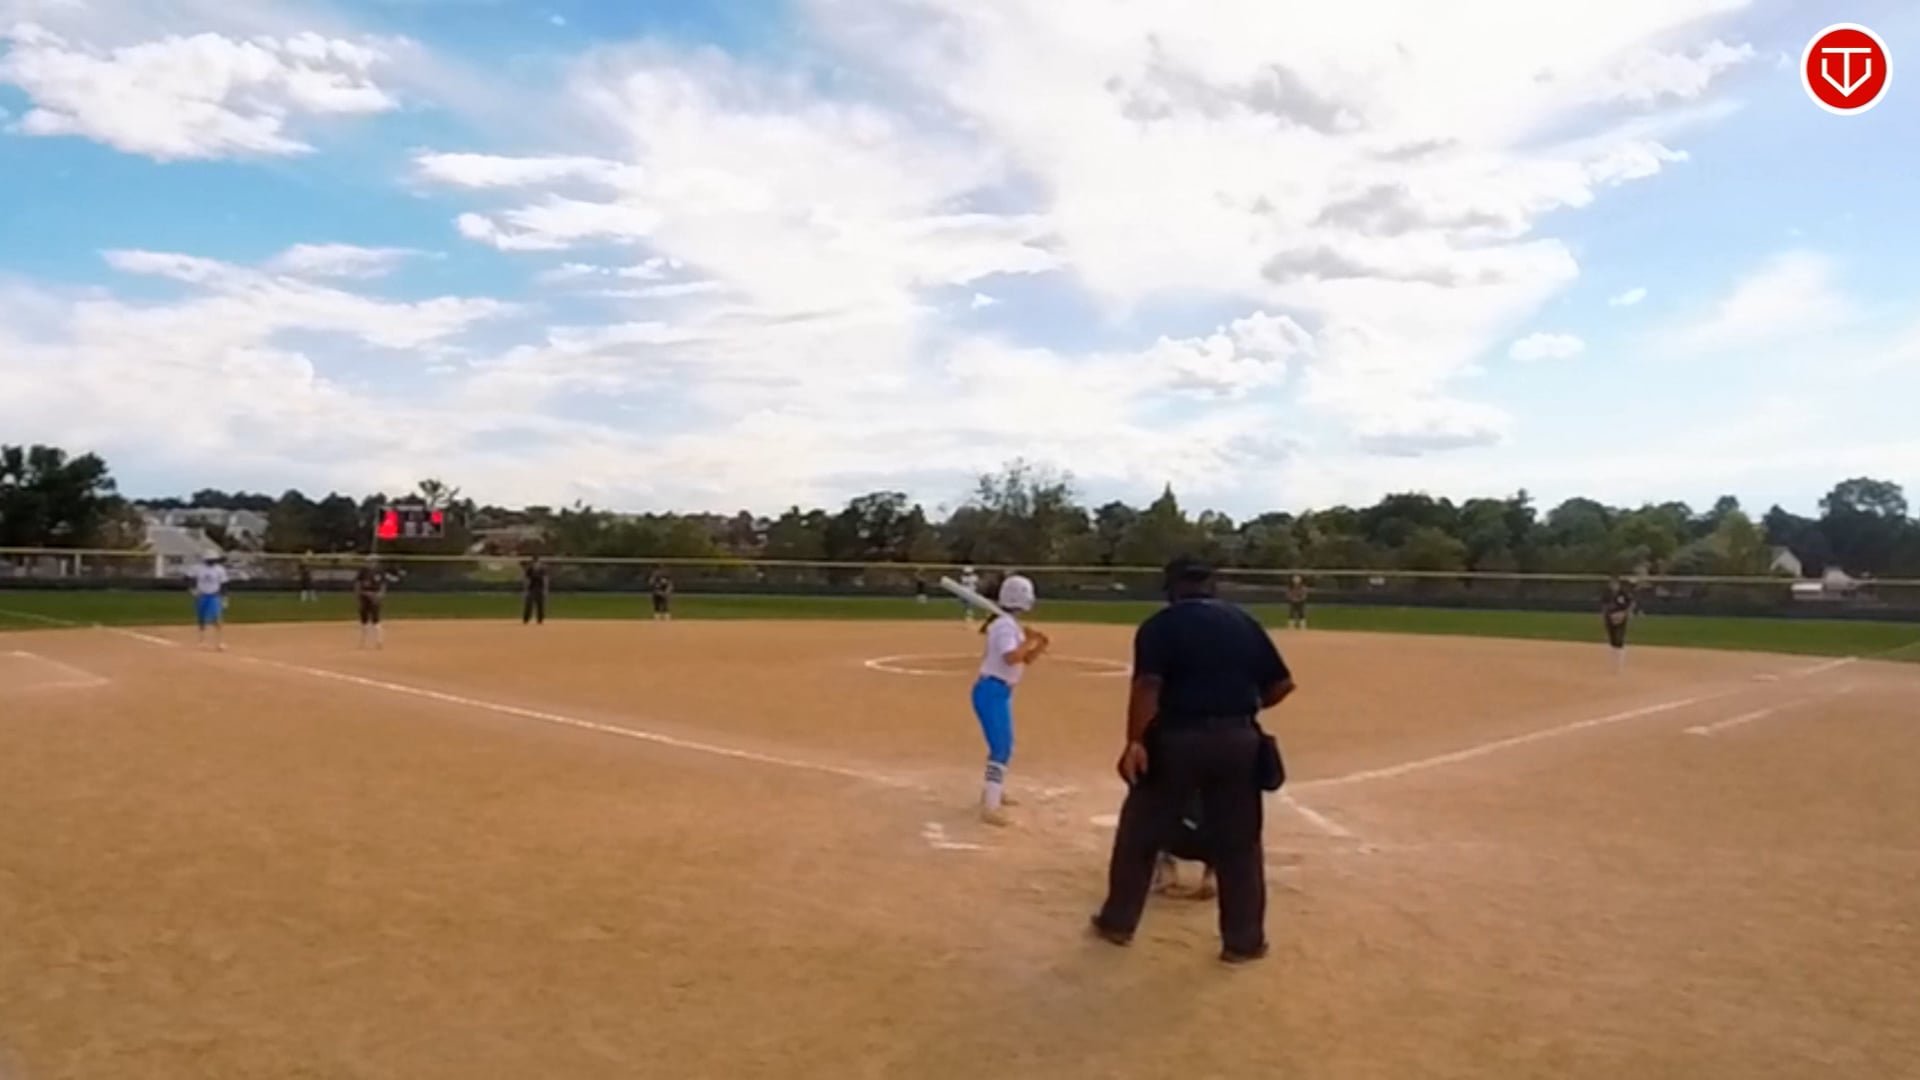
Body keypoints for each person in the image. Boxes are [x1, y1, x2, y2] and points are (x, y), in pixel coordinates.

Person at [1091, 555, 1296, 964]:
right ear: (1212, 586)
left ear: (1171, 589)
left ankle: (1118, 923)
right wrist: (1240, 709)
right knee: (1240, 844)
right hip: (1238, 740)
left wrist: (1135, 741)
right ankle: (1243, 942)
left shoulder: (1160, 626)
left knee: (1140, 833)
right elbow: (1282, 684)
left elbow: (1147, 686)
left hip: (1177, 738)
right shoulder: (1244, 623)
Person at [970, 574, 1049, 826]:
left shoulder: (1008, 624)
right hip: (991, 691)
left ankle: (992, 792)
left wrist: (1038, 645)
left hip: (999, 691)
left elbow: (1024, 659)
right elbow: (1010, 657)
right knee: (1002, 747)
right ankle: (990, 807)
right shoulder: (1004, 626)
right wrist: (1029, 641)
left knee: (1002, 744)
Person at [188, 554, 229, 650]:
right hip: (202, 595)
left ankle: (219, 642)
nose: (212, 562)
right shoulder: (198, 568)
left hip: (214, 596)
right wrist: (192, 589)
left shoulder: (220, 569)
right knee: (202, 617)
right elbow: (187, 578)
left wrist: (225, 598)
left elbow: (224, 584)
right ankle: (202, 640)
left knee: (217, 618)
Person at [354, 557, 391, 649]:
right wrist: (358, 595)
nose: (370, 563)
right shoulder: (363, 571)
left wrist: (380, 594)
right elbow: (358, 583)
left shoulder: (380, 572)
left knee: (376, 620)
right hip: (364, 595)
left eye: (372, 561)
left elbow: (383, 584)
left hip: (374, 595)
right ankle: (362, 642)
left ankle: (379, 641)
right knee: (364, 620)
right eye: (369, 561)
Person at [1601, 574, 1635, 673]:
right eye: (1611, 583)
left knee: (1619, 639)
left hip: (1621, 617)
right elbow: (1604, 606)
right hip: (1610, 617)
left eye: (1615, 583)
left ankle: (1619, 665)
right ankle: (1613, 662)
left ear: (1618, 584)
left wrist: (1625, 614)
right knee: (1612, 639)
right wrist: (1605, 616)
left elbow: (1631, 603)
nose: (1613, 585)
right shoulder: (1607, 593)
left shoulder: (1623, 593)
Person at [522, 555, 551, 626]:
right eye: (534, 562)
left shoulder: (542, 569)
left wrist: (545, 590)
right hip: (531, 589)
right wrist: (525, 590)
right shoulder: (530, 569)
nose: (535, 564)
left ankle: (540, 619)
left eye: (537, 562)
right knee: (529, 604)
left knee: (540, 604)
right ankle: (526, 619)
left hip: (540, 588)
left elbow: (545, 579)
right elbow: (527, 580)